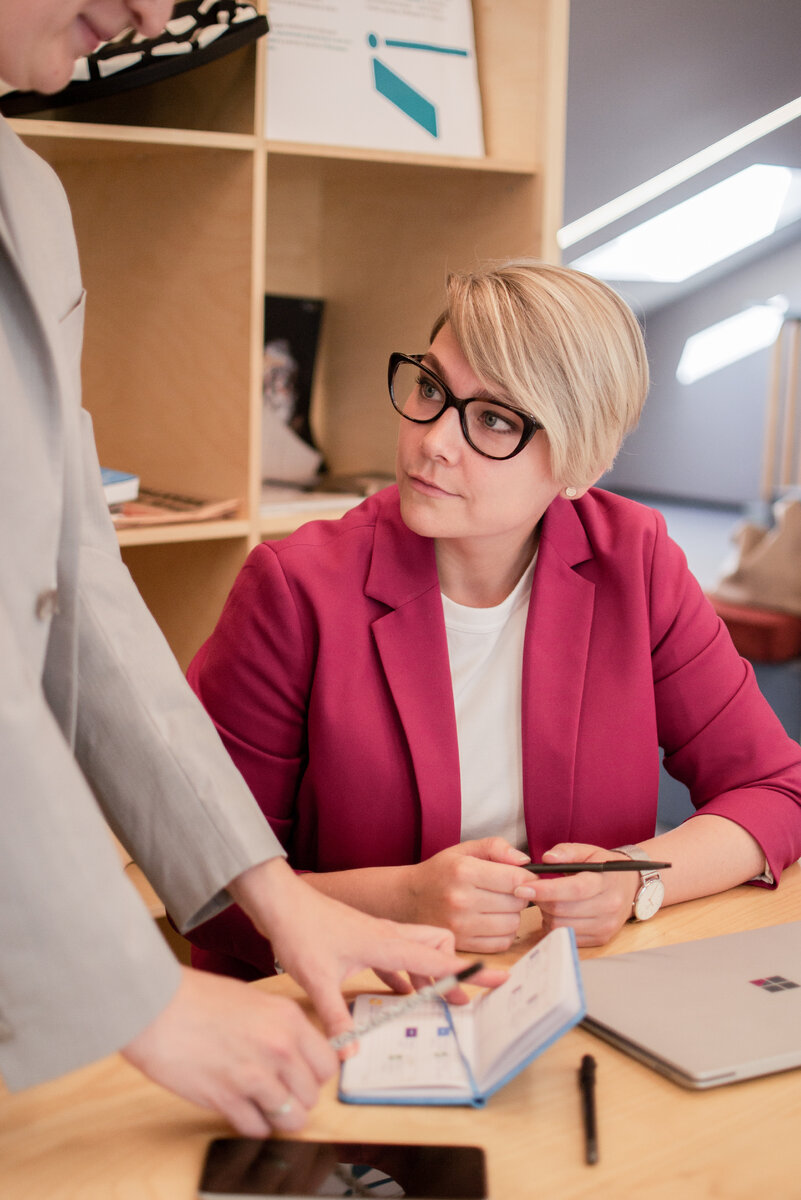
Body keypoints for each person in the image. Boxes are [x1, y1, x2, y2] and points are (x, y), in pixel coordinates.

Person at [0, 0, 505, 1138]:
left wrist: (277, 898)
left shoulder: (29, 198)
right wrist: (147, 1000)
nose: (155, 15)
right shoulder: (309, 582)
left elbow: (76, 573)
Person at [185, 257, 801, 979]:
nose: (433, 442)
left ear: (582, 461)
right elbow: (207, 890)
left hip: (565, 990)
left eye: (492, 420)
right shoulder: (294, 589)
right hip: (347, 1006)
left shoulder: (633, 560)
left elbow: (775, 790)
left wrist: (636, 877)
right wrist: (405, 897)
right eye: (429, 388)